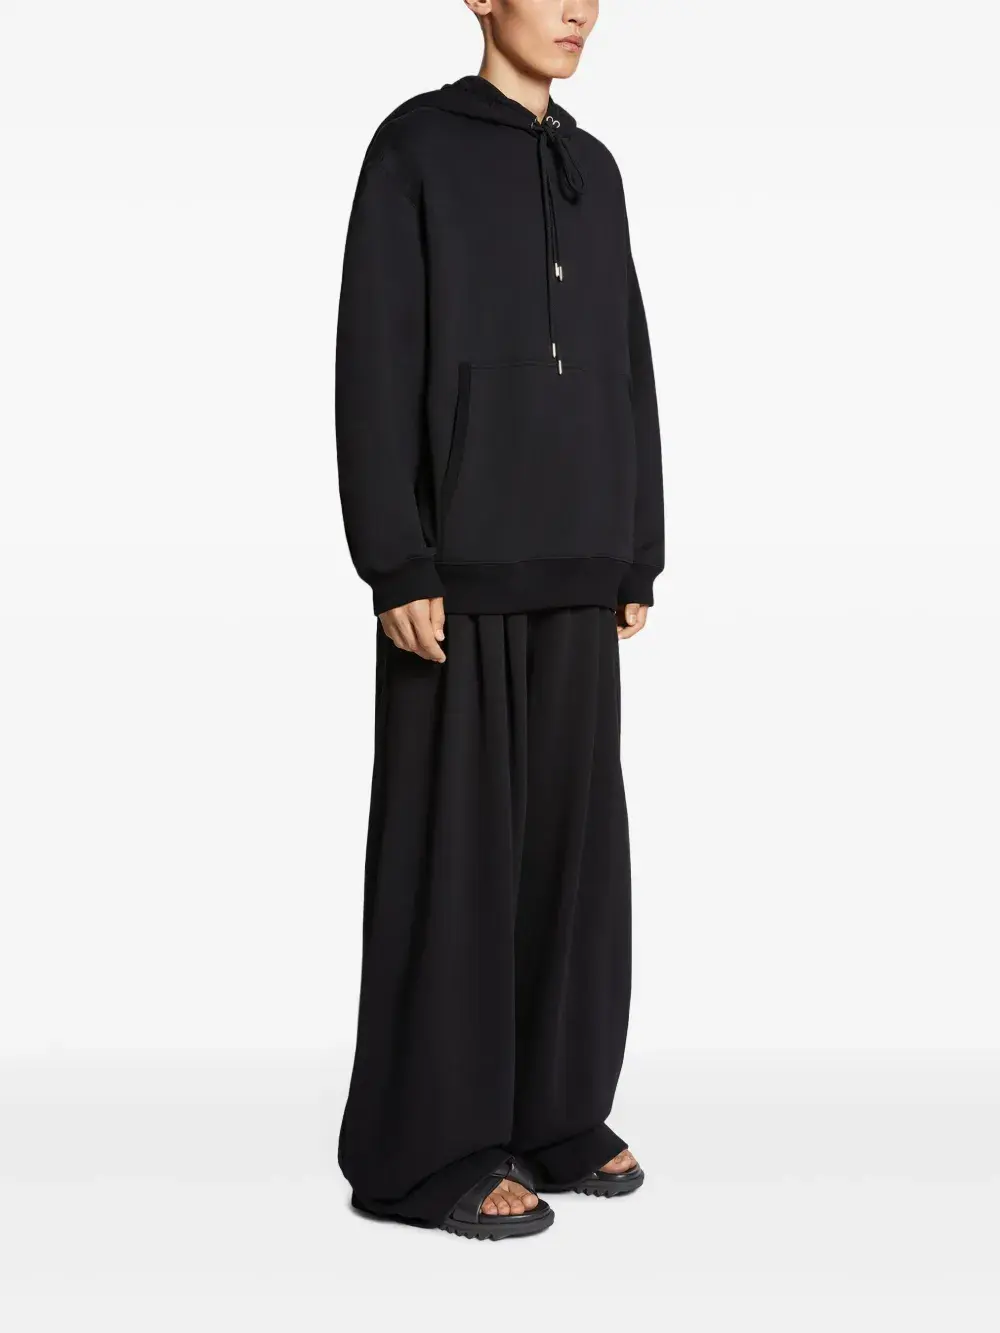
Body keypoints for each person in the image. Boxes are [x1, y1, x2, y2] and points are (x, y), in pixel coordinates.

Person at [334, 0, 663, 1241]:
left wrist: (637, 543)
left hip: (578, 557)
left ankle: (554, 1113)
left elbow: (627, 356)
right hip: (457, 573)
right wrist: (396, 559)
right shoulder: (414, 147)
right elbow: (374, 356)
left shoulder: (595, 168)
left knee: (570, 868)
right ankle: (426, 1148)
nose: (579, 9)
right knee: (454, 869)